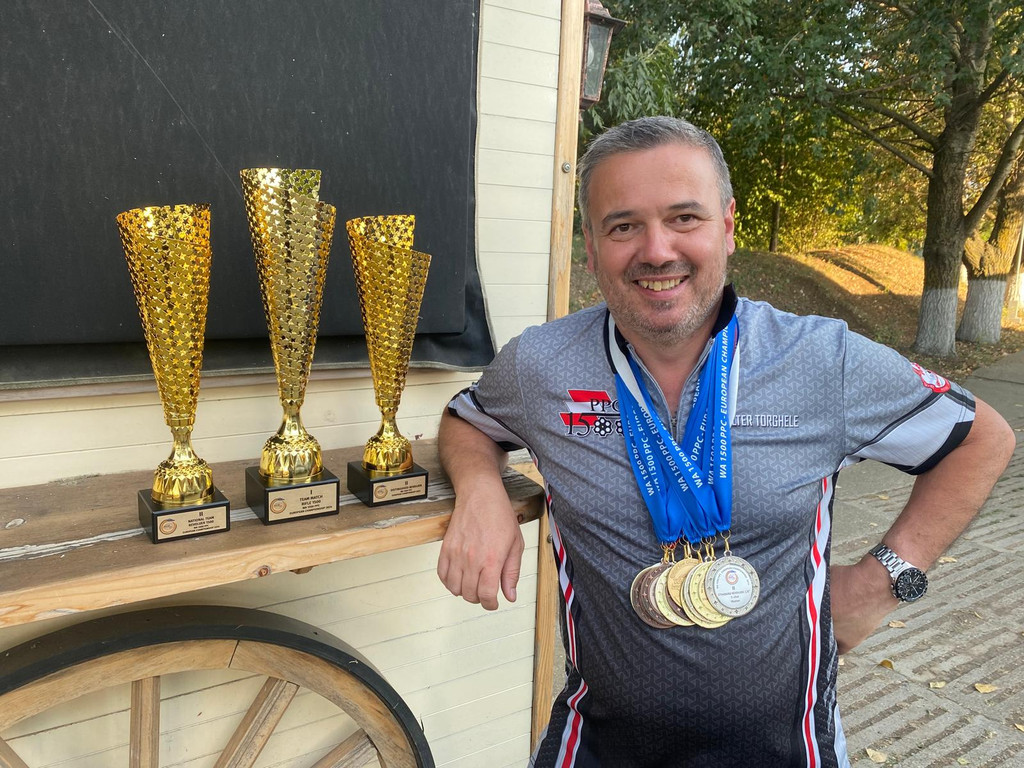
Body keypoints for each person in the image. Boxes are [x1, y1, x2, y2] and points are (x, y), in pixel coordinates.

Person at [435, 116, 1015, 767]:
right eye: (623, 226)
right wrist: (480, 489)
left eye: (684, 218)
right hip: (595, 746)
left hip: (788, 749)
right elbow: (467, 420)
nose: (657, 250)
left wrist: (887, 579)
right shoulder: (541, 365)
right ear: (591, 248)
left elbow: (981, 439)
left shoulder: (820, 360)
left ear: (728, 226)